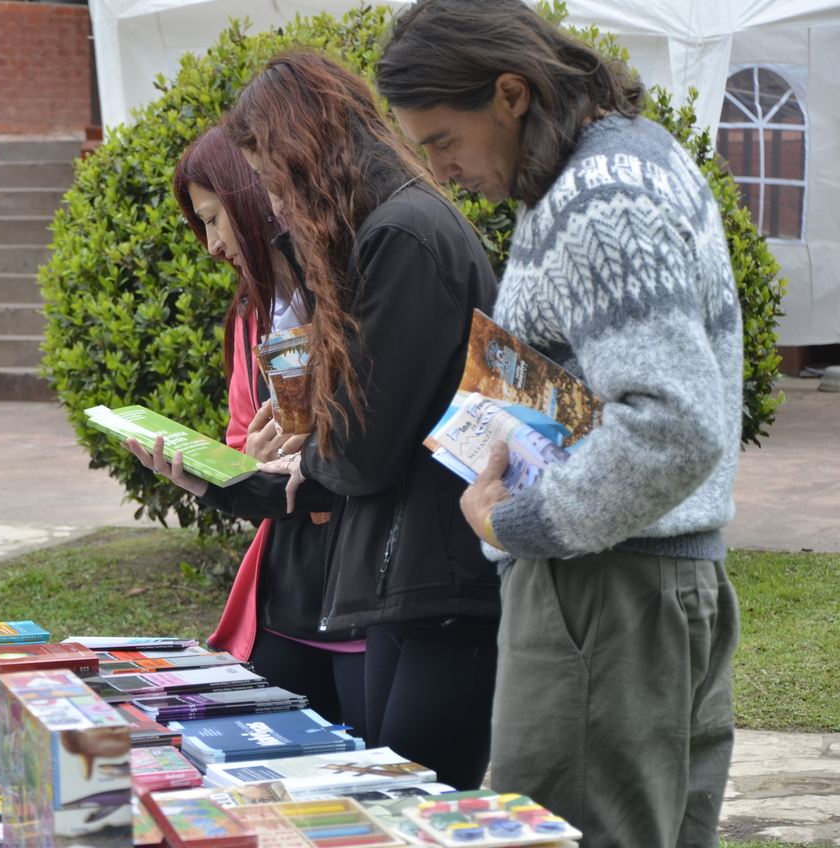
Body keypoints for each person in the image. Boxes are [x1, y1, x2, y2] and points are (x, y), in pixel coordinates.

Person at [375, 1, 742, 845]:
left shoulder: (597, 197)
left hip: (601, 597)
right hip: (642, 587)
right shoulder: (633, 159)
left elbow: (673, 425)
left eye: (443, 140)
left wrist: (522, 522)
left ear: (510, 94)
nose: (440, 170)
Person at [133, 52, 501, 790]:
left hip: (439, 579)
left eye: (269, 182)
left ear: (303, 151)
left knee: (410, 806)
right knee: (385, 798)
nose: (271, 206)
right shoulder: (382, 233)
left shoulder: (402, 235)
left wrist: (307, 453)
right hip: (406, 577)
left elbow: (361, 448)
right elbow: (356, 441)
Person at [167, 128, 368, 736]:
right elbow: (239, 440)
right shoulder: (251, 316)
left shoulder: (351, 289)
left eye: (213, 220)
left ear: (254, 197)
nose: (211, 246)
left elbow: (384, 431)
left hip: (365, 583)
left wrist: (318, 451)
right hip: (287, 589)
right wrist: (248, 460)